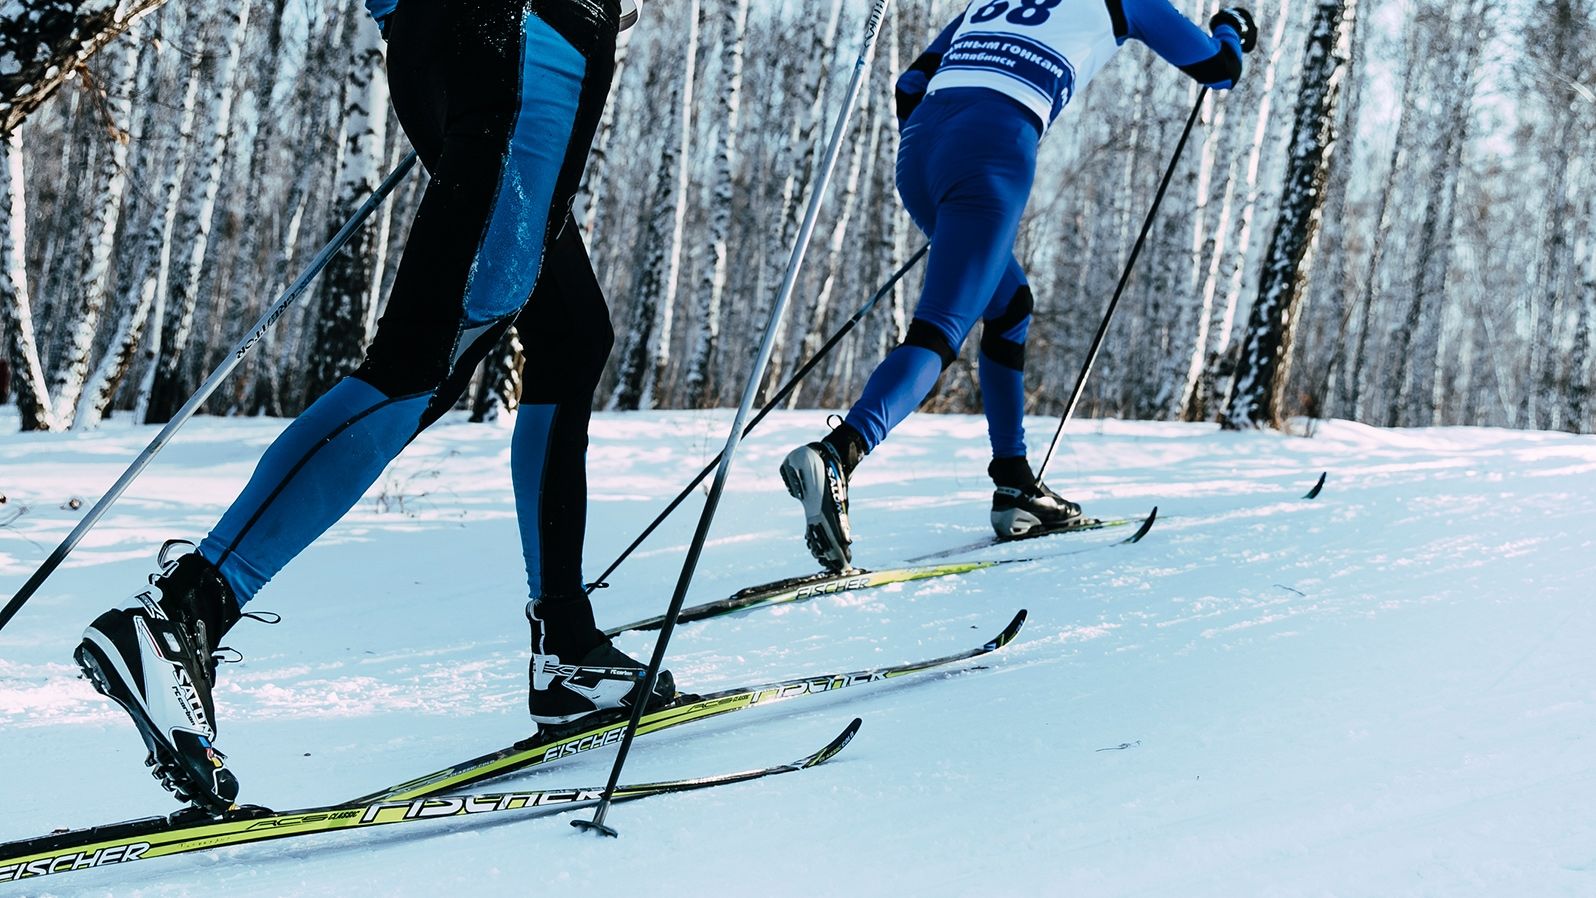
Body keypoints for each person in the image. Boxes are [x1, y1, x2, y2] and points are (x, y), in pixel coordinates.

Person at [73, 0, 671, 813]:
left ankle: (566, 648)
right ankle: (186, 611)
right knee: (423, 359)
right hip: (528, 38)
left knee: (569, 331)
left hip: (474, 37)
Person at [781, 0, 1257, 572]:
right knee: (939, 332)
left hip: (923, 148)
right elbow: (1219, 69)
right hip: (991, 150)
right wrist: (1231, 27)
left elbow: (910, 84)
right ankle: (839, 453)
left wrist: (949, 160)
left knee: (1009, 304)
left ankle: (1014, 482)